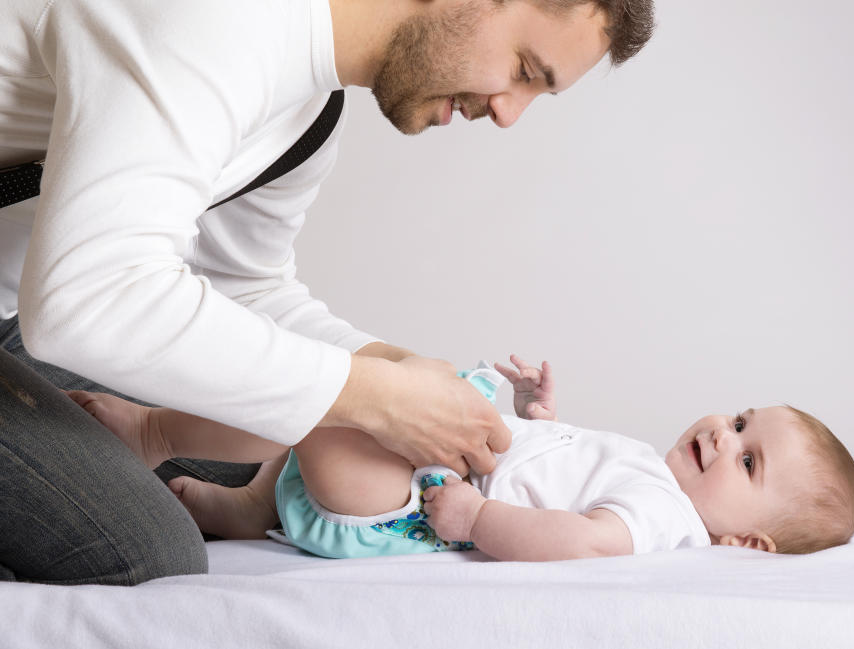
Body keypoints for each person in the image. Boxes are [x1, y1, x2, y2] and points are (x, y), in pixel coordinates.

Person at [0, 0, 656, 583]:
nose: (511, 113)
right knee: (143, 546)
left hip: (19, 316)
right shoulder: (212, 17)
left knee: (269, 458)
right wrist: (367, 394)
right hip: (52, 309)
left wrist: (394, 368)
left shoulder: (309, 116)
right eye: (524, 68)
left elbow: (247, 285)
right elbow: (85, 297)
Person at [69, 356, 854, 559]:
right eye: (737, 419)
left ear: (749, 541)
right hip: (420, 480)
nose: (723, 435)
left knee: (329, 406)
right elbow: (560, 473)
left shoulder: (663, 520)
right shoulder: (652, 476)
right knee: (359, 403)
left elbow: (581, 538)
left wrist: (480, 515)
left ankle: (157, 433)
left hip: (409, 514)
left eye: (749, 460)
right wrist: (536, 420)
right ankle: (241, 509)